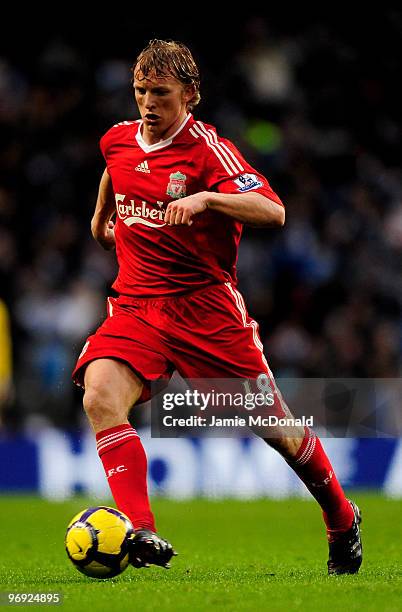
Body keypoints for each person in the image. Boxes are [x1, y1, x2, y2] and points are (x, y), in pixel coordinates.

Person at [72, 39, 362, 574]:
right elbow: (115, 167)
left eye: (161, 93)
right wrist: (99, 217)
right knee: (100, 397)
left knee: (278, 431)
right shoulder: (117, 139)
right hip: (136, 307)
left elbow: (272, 211)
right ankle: (142, 532)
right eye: (140, 92)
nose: (148, 104)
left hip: (207, 313)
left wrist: (206, 198)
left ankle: (342, 517)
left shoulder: (208, 150)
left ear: (191, 95)